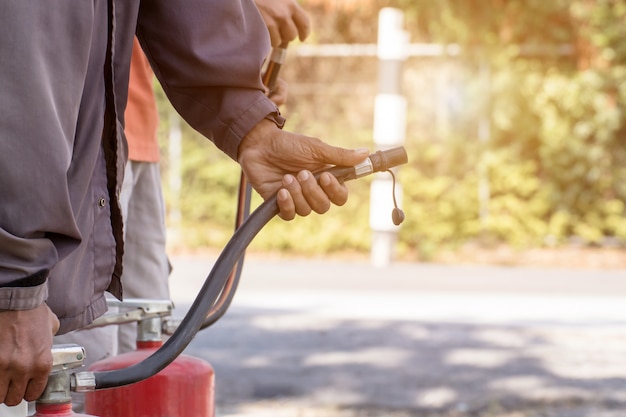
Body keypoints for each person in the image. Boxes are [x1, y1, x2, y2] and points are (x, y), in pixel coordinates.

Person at [0, 0, 369, 409]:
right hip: (47, 177)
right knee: (61, 371)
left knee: (120, 369)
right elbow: (18, 56)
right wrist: (13, 282)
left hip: (107, 141)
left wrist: (249, 123)